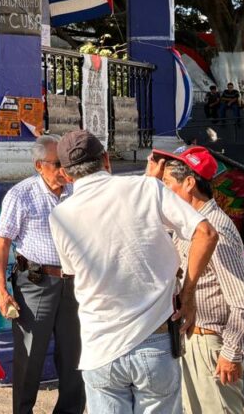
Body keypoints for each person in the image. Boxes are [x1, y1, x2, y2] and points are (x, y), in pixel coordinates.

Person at [48, 130, 219, 414]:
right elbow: (206, 233)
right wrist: (188, 295)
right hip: (155, 340)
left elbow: (72, 272)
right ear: (106, 159)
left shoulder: (60, 216)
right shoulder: (147, 188)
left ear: (65, 175)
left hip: (100, 349)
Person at [159, 148, 244, 414]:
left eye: (166, 183)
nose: (162, 191)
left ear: (189, 183)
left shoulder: (216, 230)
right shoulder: (188, 224)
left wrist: (231, 352)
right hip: (191, 339)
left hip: (209, 344)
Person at [0, 135, 84, 414]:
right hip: (36, 283)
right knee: (30, 356)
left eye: (66, 163)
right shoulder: (21, 195)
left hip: (74, 284)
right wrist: (1, 289)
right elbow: (3, 243)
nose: (63, 170)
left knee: (75, 356)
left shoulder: (76, 191)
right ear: (39, 165)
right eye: (57, 164)